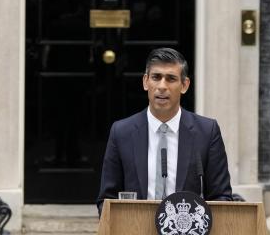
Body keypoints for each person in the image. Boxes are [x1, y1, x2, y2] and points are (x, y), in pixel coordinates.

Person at [96, 47, 233, 212]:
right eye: (156, 77)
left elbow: (221, 198)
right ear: (145, 82)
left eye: (171, 79)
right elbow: (106, 200)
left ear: (184, 85)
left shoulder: (207, 132)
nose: (162, 86)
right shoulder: (121, 132)